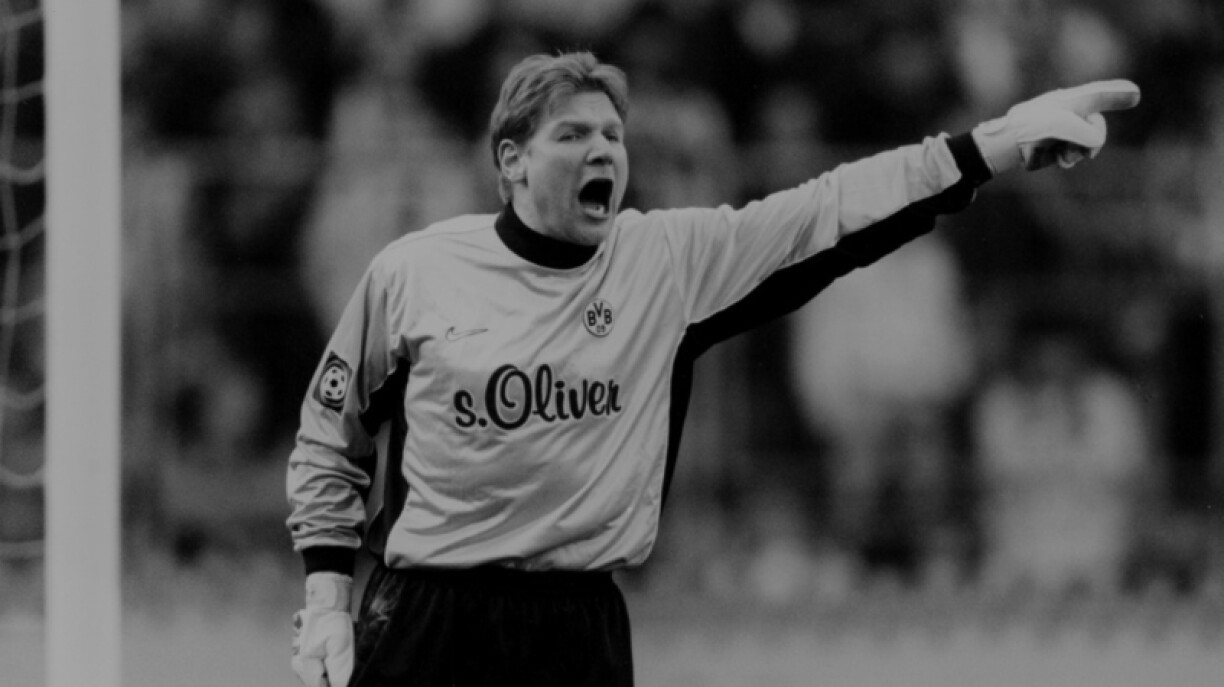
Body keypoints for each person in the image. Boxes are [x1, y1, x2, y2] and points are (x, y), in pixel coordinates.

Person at [286, 50, 1139, 686]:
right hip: (429, 614)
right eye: (572, 134)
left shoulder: (666, 262)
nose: (603, 151)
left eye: (613, 135)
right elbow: (330, 435)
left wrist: (991, 146)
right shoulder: (416, 271)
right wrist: (327, 595)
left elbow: (829, 210)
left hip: (577, 625)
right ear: (510, 160)